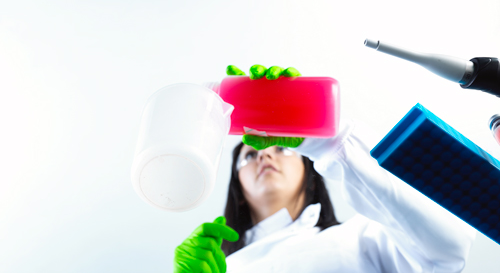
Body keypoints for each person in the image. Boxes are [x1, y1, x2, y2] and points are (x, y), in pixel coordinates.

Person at [173, 65, 476, 273]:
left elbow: (447, 252)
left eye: (281, 148)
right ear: (238, 189)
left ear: (310, 178)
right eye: (248, 157)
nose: (264, 157)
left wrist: (327, 141)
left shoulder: (362, 238)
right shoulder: (224, 268)